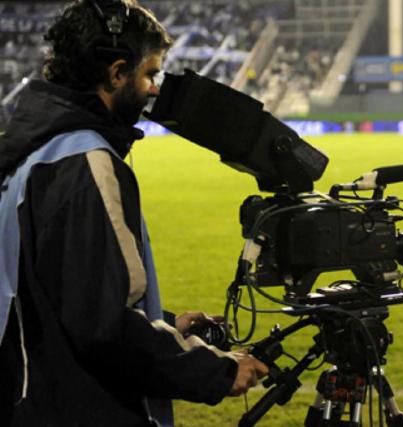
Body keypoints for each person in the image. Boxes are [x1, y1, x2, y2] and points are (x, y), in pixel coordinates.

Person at [0, 1, 267, 425]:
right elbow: (103, 327)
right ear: (117, 73)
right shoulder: (85, 161)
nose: (154, 89)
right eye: (150, 74)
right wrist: (215, 370)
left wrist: (165, 324)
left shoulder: (37, 149)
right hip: (76, 406)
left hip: (36, 395)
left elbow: (67, 294)